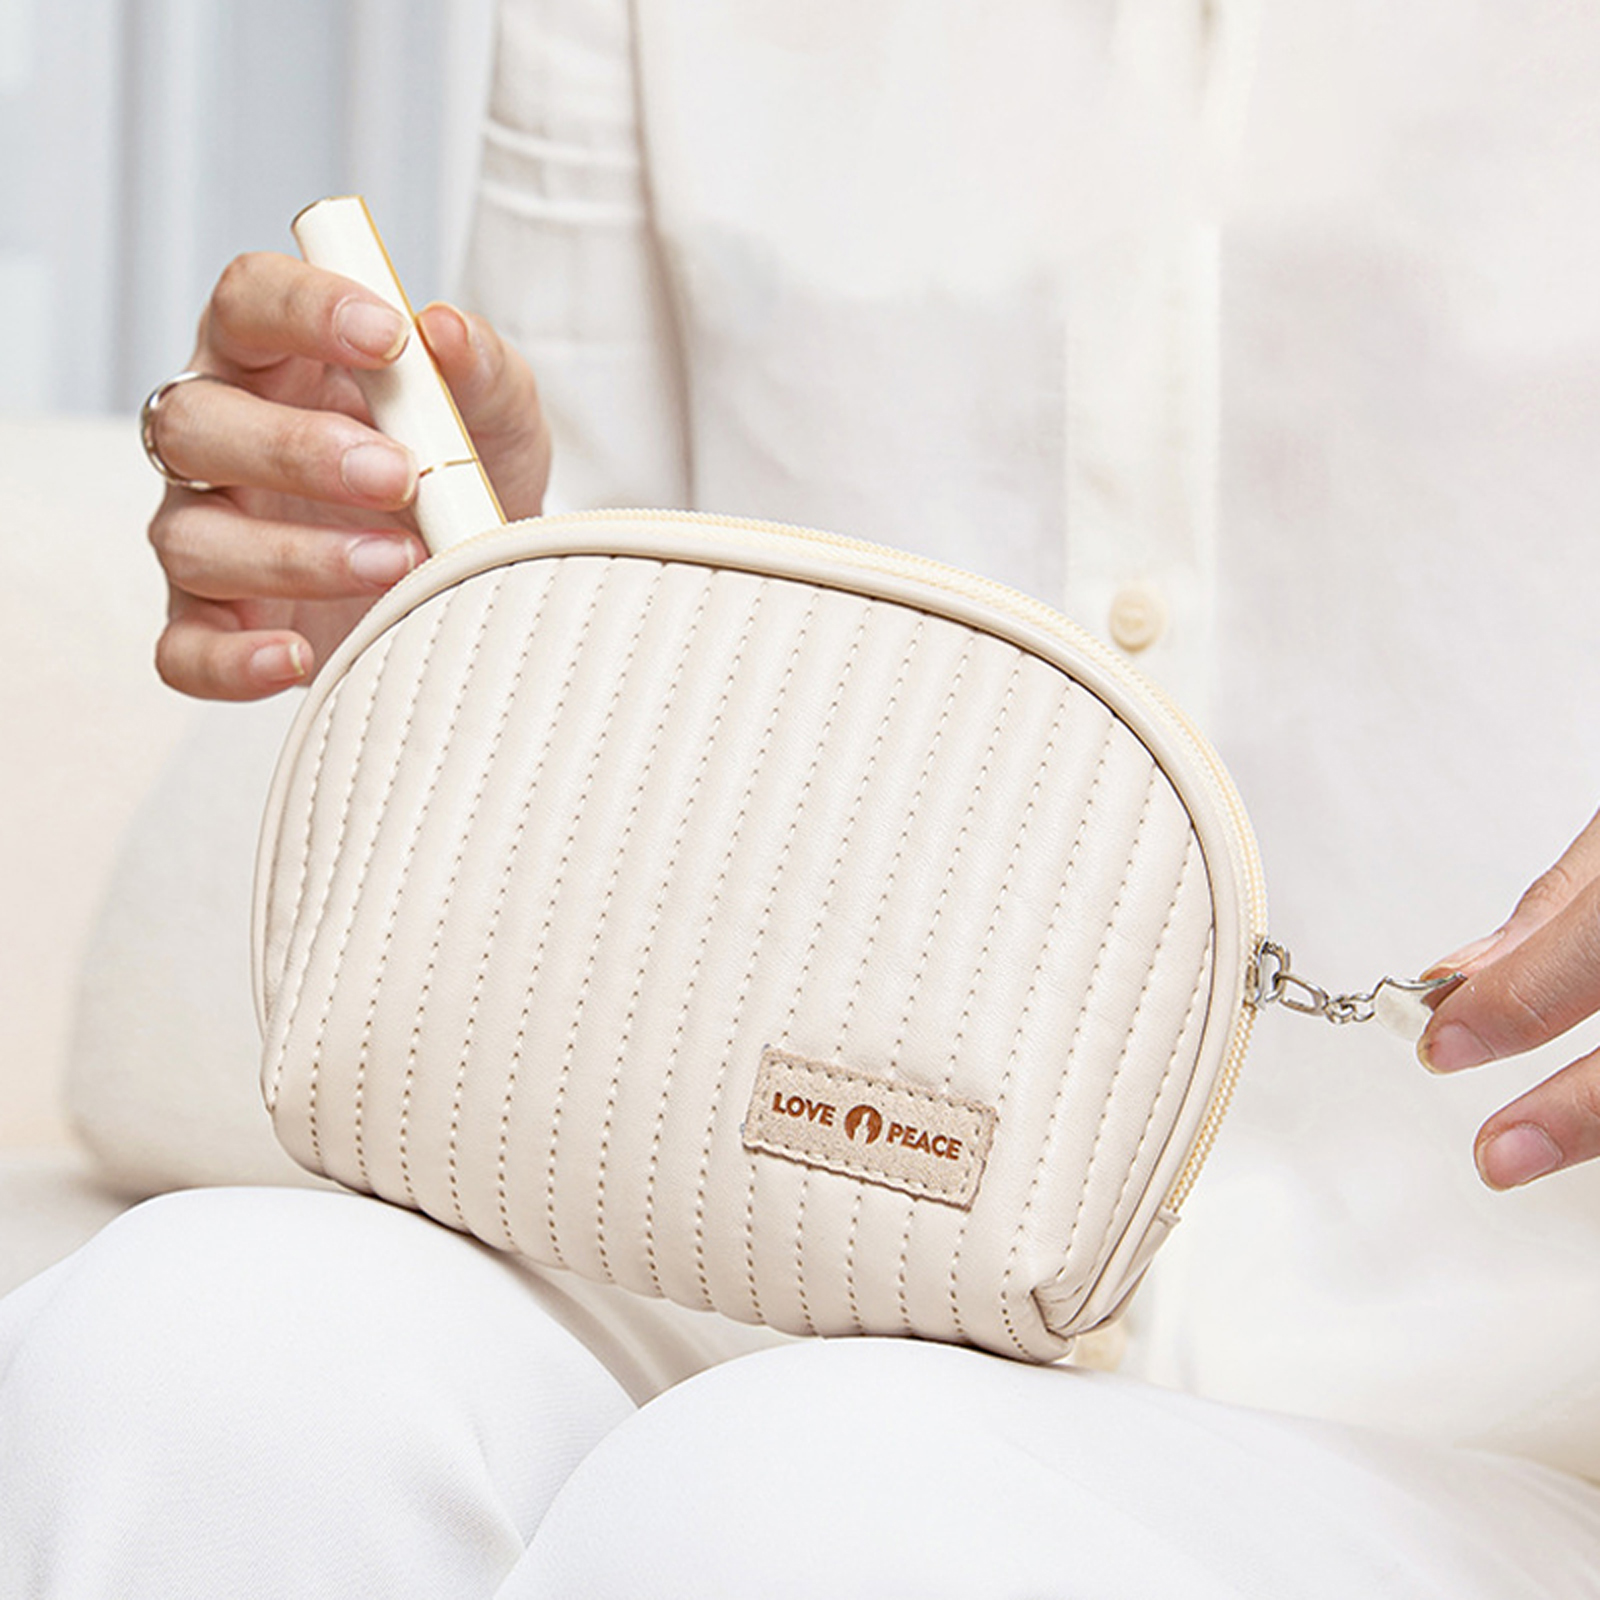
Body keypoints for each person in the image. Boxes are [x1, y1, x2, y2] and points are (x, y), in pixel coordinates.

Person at [7, 1, 1600, 1593]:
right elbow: (607, 647)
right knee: (177, 1351)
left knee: (796, 1501)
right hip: (737, 1271)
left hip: (1494, 1387)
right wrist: (452, 618)